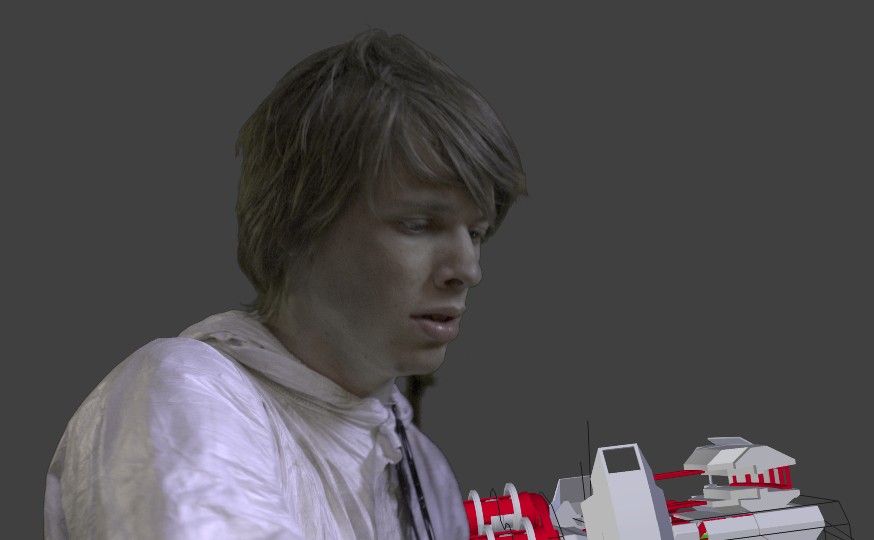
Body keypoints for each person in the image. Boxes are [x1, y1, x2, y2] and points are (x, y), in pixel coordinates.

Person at [44, 29, 526, 540]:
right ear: (301, 224)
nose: (467, 269)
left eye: (475, 233)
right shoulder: (186, 396)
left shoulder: (422, 468)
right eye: (418, 224)